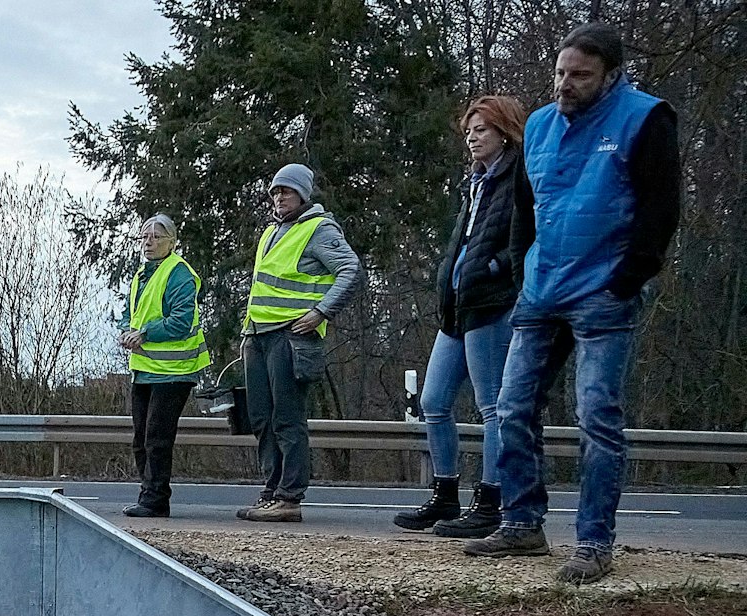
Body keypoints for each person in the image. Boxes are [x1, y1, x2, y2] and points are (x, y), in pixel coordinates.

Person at [463, 23, 680, 584]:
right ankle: (522, 523)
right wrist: (521, 270)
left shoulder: (645, 118)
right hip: (539, 291)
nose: (565, 84)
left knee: (597, 417)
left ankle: (594, 542)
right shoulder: (537, 125)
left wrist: (626, 280)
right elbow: (525, 210)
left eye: (579, 75)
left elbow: (661, 210)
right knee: (511, 408)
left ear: (610, 74)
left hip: (603, 294)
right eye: (560, 72)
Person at [395, 95, 534, 536]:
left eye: (482, 130)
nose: (472, 138)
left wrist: (495, 272)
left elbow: (523, 241)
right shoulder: (475, 181)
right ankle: (445, 496)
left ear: (505, 131)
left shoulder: (519, 176)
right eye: (469, 131)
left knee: (491, 405)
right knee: (433, 401)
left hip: (491, 304)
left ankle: (490, 502)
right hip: (458, 304)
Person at [235, 164, 365, 522]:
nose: (279, 197)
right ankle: (271, 491)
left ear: (304, 194)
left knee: (287, 419)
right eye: (275, 191)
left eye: (287, 191)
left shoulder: (319, 229)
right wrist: (247, 332)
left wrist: (322, 312)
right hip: (259, 335)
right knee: (261, 417)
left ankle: (289, 496)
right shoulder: (270, 232)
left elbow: (350, 269)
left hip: (291, 337)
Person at [116, 214, 212, 518]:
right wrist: (126, 330)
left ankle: (155, 498)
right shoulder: (142, 274)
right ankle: (150, 494)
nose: (149, 241)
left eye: (157, 236)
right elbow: (131, 314)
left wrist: (144, 333)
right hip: (145, 370)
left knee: (157, 437)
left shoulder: (179, 274)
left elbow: (180, 323)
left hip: (174, 371)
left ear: (172, 242)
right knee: (141, 437)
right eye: (144, 236)